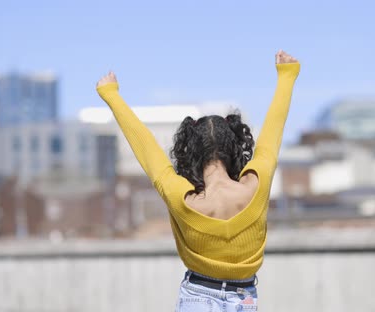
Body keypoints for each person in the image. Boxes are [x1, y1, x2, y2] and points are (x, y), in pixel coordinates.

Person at [96, 50, 300, 311]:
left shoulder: (182, 198)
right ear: (235, 148)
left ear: (190, 151)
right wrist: (286, 76)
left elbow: (147, 150)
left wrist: (112, 96)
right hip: (244, 299)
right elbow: (273, 132)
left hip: (198, 297)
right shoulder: (256, 185)